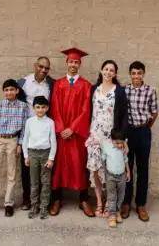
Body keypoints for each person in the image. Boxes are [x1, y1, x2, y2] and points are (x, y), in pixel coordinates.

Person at [0, 57, 55, 211]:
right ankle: (28, 199)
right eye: (41, 67)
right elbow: (13, 104)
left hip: (44, 129)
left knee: (45, 167)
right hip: (28, 128)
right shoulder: (23, 83)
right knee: (27, 167)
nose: (43, 70)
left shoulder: (51, 84)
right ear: (35, 66)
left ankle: (45, 200)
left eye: (46, 68)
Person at [49, 47, 94, 217]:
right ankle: (56, 199)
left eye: (76, 62)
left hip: (77, 134)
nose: (73, 64)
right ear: (66, 63)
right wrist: (61, 128)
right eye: (71, 62)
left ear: (80, 64)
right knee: (59, 166)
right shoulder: (58, 84)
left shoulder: (86, 85)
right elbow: (54, 107)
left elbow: (86, 110)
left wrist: (72, 128)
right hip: (61, 134)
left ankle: (83, 199)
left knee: (80, 165)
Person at [85, 60, 128, 217]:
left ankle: (111, 205)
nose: (108, 72)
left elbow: (124, 116)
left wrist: (122, 138)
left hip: (112, 137)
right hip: (95, 135)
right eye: (106, 69)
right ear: (101, 71)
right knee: (96, 169)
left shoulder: (120, 91)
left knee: (110, 172)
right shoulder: (93, 89)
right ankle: (98, 202)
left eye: (112, 70)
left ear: (115, 73)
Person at [0, 79, 29, 218]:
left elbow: (25, 128)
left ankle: (9, 203)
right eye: (6, 90)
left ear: (17, 91)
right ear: (3, 92)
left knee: (11, 173)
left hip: (13, 140)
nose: (9, 92)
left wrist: (20, 144)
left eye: (11, 89)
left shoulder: (23, 106)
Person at [121, 61, 158, 222]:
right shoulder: (125, 90)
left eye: (139, 73)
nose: (136, 76)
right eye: (134, 73)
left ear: (144, 74)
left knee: (143, 170)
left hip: (143, 131)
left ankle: (141, 204)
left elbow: (154, 112)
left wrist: (145, 127)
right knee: (127, 169)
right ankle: (126, 203)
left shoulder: (150, 90)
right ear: (130, 74)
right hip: (129, 132)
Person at [22, 96, 57, 220]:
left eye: (43, 107)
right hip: (33, 154)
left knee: (46, 182)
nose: (40, 110)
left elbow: (53, 141)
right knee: (34, 182)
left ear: (47, 108)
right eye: (38, 107)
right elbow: (25, 140)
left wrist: (51, 158)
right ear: (33, 108)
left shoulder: (50, 122)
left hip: (46, 154)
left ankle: (44, 206)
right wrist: (26, 155)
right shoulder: (29, 122)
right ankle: (34, 206)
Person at [101, 128, 130, 227]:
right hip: (111, 176)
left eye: (121, 143)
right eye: (117, 143)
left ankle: (117, 211)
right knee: (112, 197)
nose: (119, 145)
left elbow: (126, 160)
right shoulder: (107, 147)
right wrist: (105, 174)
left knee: (121, 196)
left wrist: (128, 172)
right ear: (111, 139)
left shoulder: (123, 148)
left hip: (122, 176)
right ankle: (112, 216)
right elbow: (103, 161)